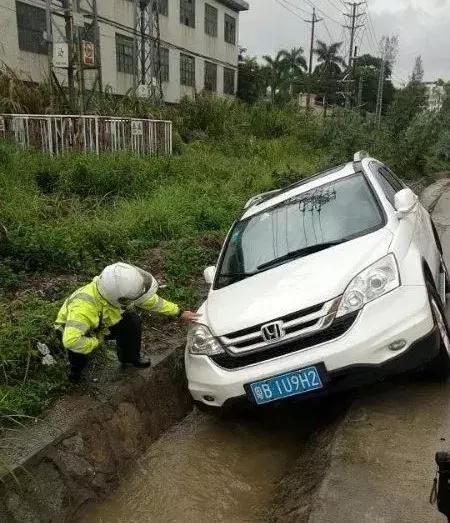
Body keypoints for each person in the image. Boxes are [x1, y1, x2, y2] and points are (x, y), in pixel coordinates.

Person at [55, 262, 199, 382]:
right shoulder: (83, 308)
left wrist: (179, 312)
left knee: (132, 320)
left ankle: (129, 357)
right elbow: (71, 340)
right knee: (77, 353)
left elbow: (150, 301)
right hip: (75, 331)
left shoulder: (115, 288)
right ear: (118, 298)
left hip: (102, 323)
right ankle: (75, 372)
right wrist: (95, 342)